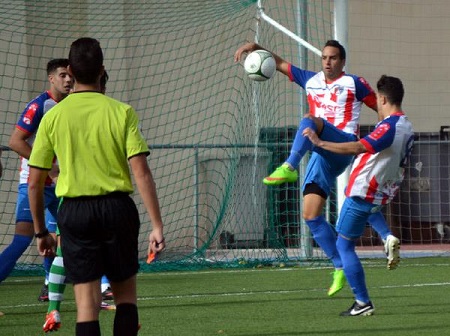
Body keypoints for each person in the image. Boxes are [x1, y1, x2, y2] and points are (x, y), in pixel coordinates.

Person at [234, 40, 401, 296]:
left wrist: (385, 134)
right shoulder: (310, 80)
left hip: (343, 144)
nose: (327, 62)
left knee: (310, 120)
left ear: (342, 61)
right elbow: (278, 63)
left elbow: (381, 107)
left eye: (333, 58)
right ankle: (339, 266)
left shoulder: (354, 83)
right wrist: (257, 47)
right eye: (324, 57)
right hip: (321, 151)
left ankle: (290, 165)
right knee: (310, 215)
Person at [28, 37, 165, 336]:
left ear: (70, 72)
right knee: (126, 299)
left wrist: (41, 232)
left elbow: (35, 182)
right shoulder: (122, 111)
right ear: (102, 70)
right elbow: (141, 172)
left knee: (86, 308)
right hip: (117, 209)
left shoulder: (53, 116)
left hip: (75, 213)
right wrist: (157, 224)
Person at [303, 74, 414, 316]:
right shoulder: (407, 125)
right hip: (380, 191)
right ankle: (386, 236)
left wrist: (320, 143)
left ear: (382, 99)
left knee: (344, 246)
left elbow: (357, 146)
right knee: (359, 218)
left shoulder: (389, 126)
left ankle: (362, 302)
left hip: (364, 191)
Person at [42, 70, 114, 333]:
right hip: (106, 199)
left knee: (64, 251)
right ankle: (119, 305)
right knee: (106, 253)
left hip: (71, 199)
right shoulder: (114, 111)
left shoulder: (58, 112)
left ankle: (53, 308)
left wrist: (53, 171)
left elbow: (41, 160)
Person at [0, 59, 72, 302]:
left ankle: (51, 286)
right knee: (22, 240)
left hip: (61, 184)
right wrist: (47, 166)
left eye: (70, 75)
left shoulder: (71, 105)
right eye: (62, 75)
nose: (68, 79)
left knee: (76, 233)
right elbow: (15, 141)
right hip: (36, 184)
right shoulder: (39, 105)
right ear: (51, 78)